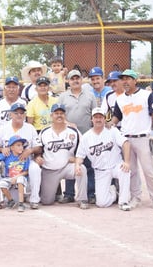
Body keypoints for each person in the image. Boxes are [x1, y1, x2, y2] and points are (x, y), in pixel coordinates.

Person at [111, 69, 153, 210]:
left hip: (142, 138)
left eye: (128, 78)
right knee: (131, 171)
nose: (125, 81)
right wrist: (110, 124)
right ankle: (136, 197)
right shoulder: (120, 99)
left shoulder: (146, 95)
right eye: (123, 79)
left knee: (148, 170)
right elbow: (117, 116)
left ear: (135, 80)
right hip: (127, 139)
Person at [75, 107, 131, 211]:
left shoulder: (112, 131)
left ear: (104, 119)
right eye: (95, 117)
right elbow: (79, 156)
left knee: (125, 170)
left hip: (115, 165)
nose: (98, 119)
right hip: (100, 171)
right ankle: (113, 191)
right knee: (102, 203)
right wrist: (77, 165)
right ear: (91, 119)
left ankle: (124, 201)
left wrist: (127, 162)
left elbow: (126, 143)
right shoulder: (86, 137)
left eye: (100, 117)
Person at [57, 69, 97, 204]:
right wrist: (68, 123)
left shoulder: (90, 95)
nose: (75, 80)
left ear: (81, 80)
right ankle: (69, 194)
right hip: (70, 137)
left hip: (87, 135)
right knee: (71, 163)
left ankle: (91, 193)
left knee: (89, 165)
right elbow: (59, 115)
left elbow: (95, 115)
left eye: (77, 78)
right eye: (72, 78)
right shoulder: (63, 97)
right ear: (68, 81)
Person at [38, 104, 89, 209]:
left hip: (67, 167)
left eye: (61, 113)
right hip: (49, 169)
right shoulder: (44, 132)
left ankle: (82, 199)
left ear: (65, 115)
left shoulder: (74, 131)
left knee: (82, 169)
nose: (59, 116)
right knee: (46, 201)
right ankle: (54, 193)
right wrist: (38, 157)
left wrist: (77, 160)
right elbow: (38, 149)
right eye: (56, 113)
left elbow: (83, 149)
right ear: (51, 115)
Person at [0, 103, 42, 209]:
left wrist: (30, 150)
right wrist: (2, 149)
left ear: (24, 115)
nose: (19, 115)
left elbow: (39, 147)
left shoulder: (30, 128)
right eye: (16, 113)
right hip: (8, 161)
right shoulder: (3, 128)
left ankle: (34, 199)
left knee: (35, 168)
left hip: (25, 160)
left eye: (21, 113)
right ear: (11, 114)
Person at [0, 135, 30, 212]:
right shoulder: (8, 155)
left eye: (22, 145)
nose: (21, 147)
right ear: (12, 147)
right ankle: (11, 201)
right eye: (18, 145)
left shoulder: (25, 156)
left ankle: (21, 203)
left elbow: (26, 171)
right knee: (2, 183)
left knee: (20, 180)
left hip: (20, 176)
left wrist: (17, 177)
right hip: (9, 177)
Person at [0, 76, 27, 141]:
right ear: (4, 89)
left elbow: (29, 121)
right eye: (9, 87)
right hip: (4, 140)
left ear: (18, 89)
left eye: (14, 87)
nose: (11, 90)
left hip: (21, 138)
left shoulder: (24, 102)